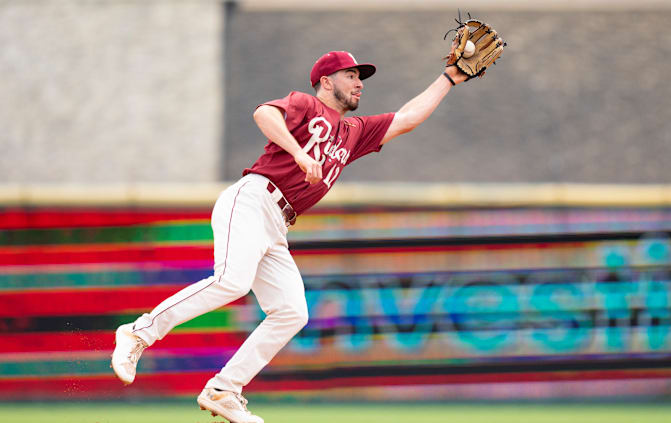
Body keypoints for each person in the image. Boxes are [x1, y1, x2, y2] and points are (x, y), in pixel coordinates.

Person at [111, 50, 472, 423]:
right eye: (350, 75)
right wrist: (298, 152)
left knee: (292, 311)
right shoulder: (306, 105)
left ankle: (224, 389)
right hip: (252, 199)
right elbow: (263, 113)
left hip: (279, 223)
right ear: (327, 82)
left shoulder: (354, 132)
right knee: (231, 281)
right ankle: (139, 333)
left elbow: (407, 118)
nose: (359, 83)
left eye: (360, 77)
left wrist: (448, 79)